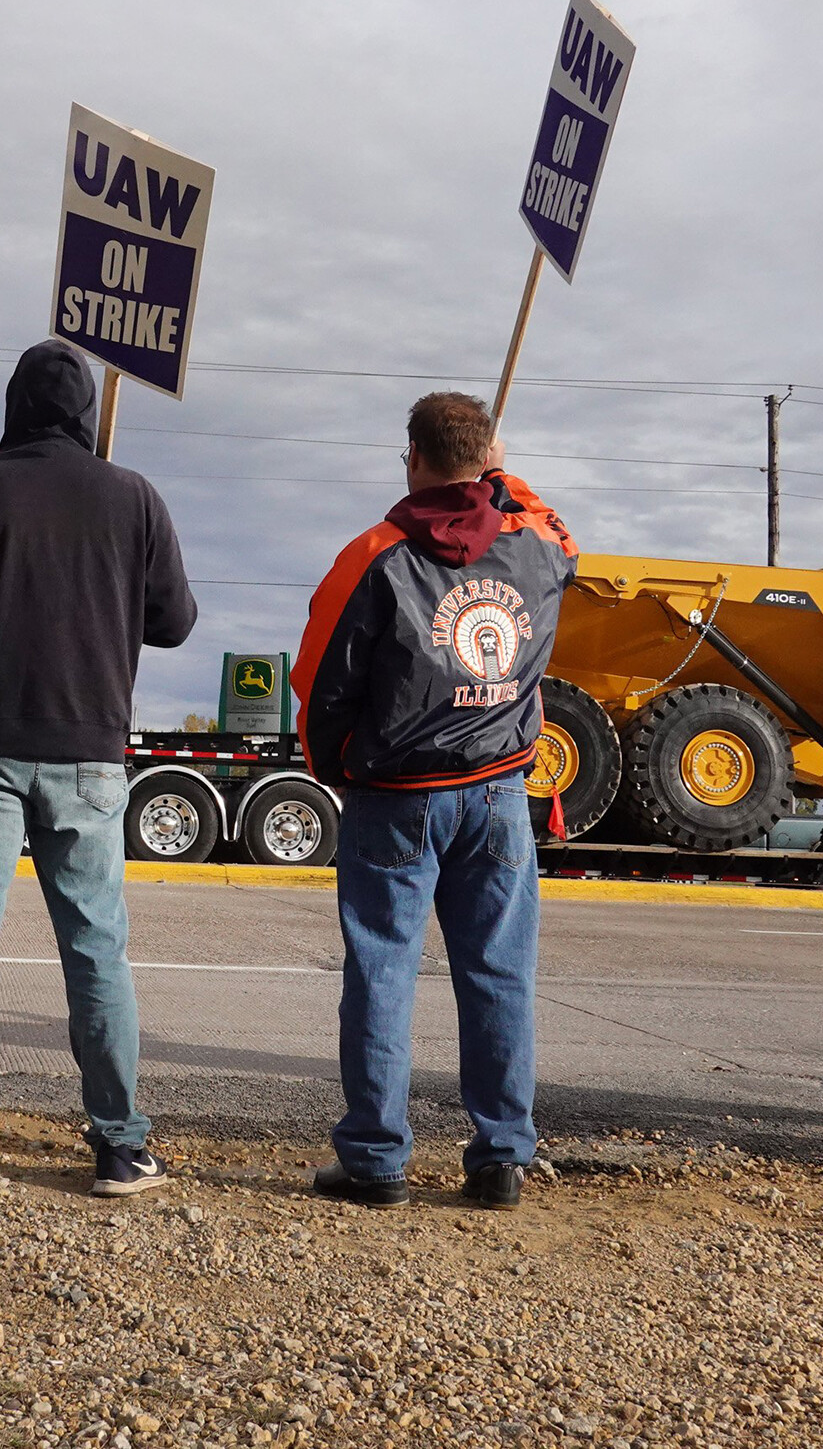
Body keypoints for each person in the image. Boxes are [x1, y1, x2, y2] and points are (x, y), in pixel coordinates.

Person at [0, 340, 197, 1199]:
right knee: (97, 950)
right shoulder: (133, 496)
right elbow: (175, 621)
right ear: (89, 412)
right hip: (91, 752)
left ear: (13, 404)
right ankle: (121, 1146)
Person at [290, 391, 577, 1210]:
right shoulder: (537, 542)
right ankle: (499, 1158)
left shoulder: (374, 553)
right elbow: (566, 540)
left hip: (398, 794)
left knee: (382, 970)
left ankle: (377, 1161)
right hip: (496, 791)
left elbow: (321, 676)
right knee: (499, 972)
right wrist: (502, 478)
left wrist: (337, 764)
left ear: (411, 457)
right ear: (491, 457)